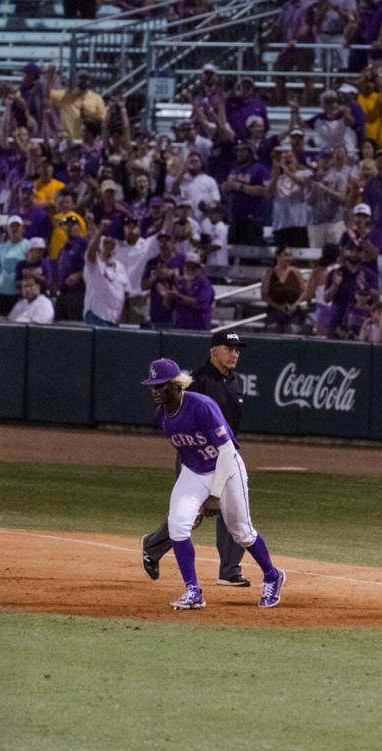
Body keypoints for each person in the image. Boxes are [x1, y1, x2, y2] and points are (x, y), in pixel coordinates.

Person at [140, 357, 286, 611]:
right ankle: (193, 591)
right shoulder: (162, 416)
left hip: (227, 469)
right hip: (195, 471)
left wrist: (213, 496)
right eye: (152, 385)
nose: (155, 390)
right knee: (177, 525)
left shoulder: (201, 406)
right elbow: (186, 455)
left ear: (176, 385)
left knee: (242, 532)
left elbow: (227, 452)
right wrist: (193, 499)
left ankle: (272, 576)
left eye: (161, 385)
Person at [141, 332, 253, 588]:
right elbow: (174, 413)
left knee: (231, 510)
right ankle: (152, 546)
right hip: (195, 459)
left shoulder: (234, 381)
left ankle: (230, 569)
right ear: (214, 351)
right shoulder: (198, 381)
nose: (235, 353)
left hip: (223, 455)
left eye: (238, 349)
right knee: (190, 515)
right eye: (229, 348)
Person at [83, 232, 129, 328]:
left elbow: (124, 293)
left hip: (114, 319)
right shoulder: (95, 264)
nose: (109, 249)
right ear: (100, 248)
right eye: (106, 244)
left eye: (112, 245)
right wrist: (100, 230)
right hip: (96, 316)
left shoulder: (121, 267)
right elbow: (91, 252)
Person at [262, 246, 306, 333]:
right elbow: (265, 295)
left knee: (292, 330)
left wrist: (295, 304)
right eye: (286, 255)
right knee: (273, 330)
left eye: (290, 255)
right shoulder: (269, 273)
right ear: (278, 256)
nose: (289, 258)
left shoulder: (296, 272)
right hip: (274, 311)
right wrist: (279, 307)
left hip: (293, 312)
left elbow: (303, 291)